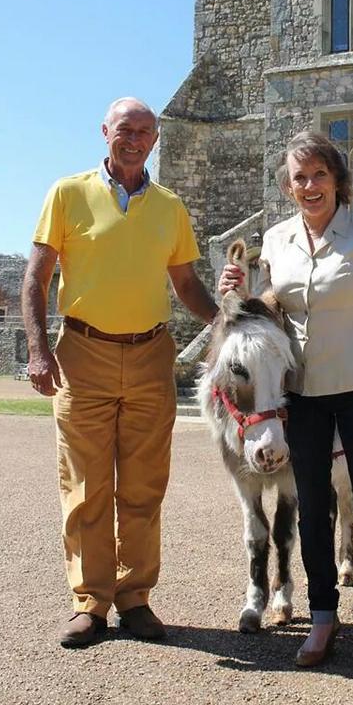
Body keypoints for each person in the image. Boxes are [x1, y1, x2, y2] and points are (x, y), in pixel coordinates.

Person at [220, 131, 353, 682]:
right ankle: (323, 618)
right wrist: (234, 287)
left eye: (319, 176)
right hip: (299, 399)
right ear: (288, 186)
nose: (309, 186)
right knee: (310, 512)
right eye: (298, 178)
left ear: (338, 180)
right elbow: (265, 312)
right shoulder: (277, 240)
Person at [22, 97, 217, 648]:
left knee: (144, 484)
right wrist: (39, 351)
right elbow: (36, 279)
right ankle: (91, 602)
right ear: (104, 132)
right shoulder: (67, 193)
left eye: (145, 132)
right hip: (82, 355)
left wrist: (231, 321)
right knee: (86, 485)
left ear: (156, 140)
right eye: (124, 129)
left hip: (151, 353)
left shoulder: (169, 207)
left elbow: (186, 286)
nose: (134, 139)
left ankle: (135, 599)